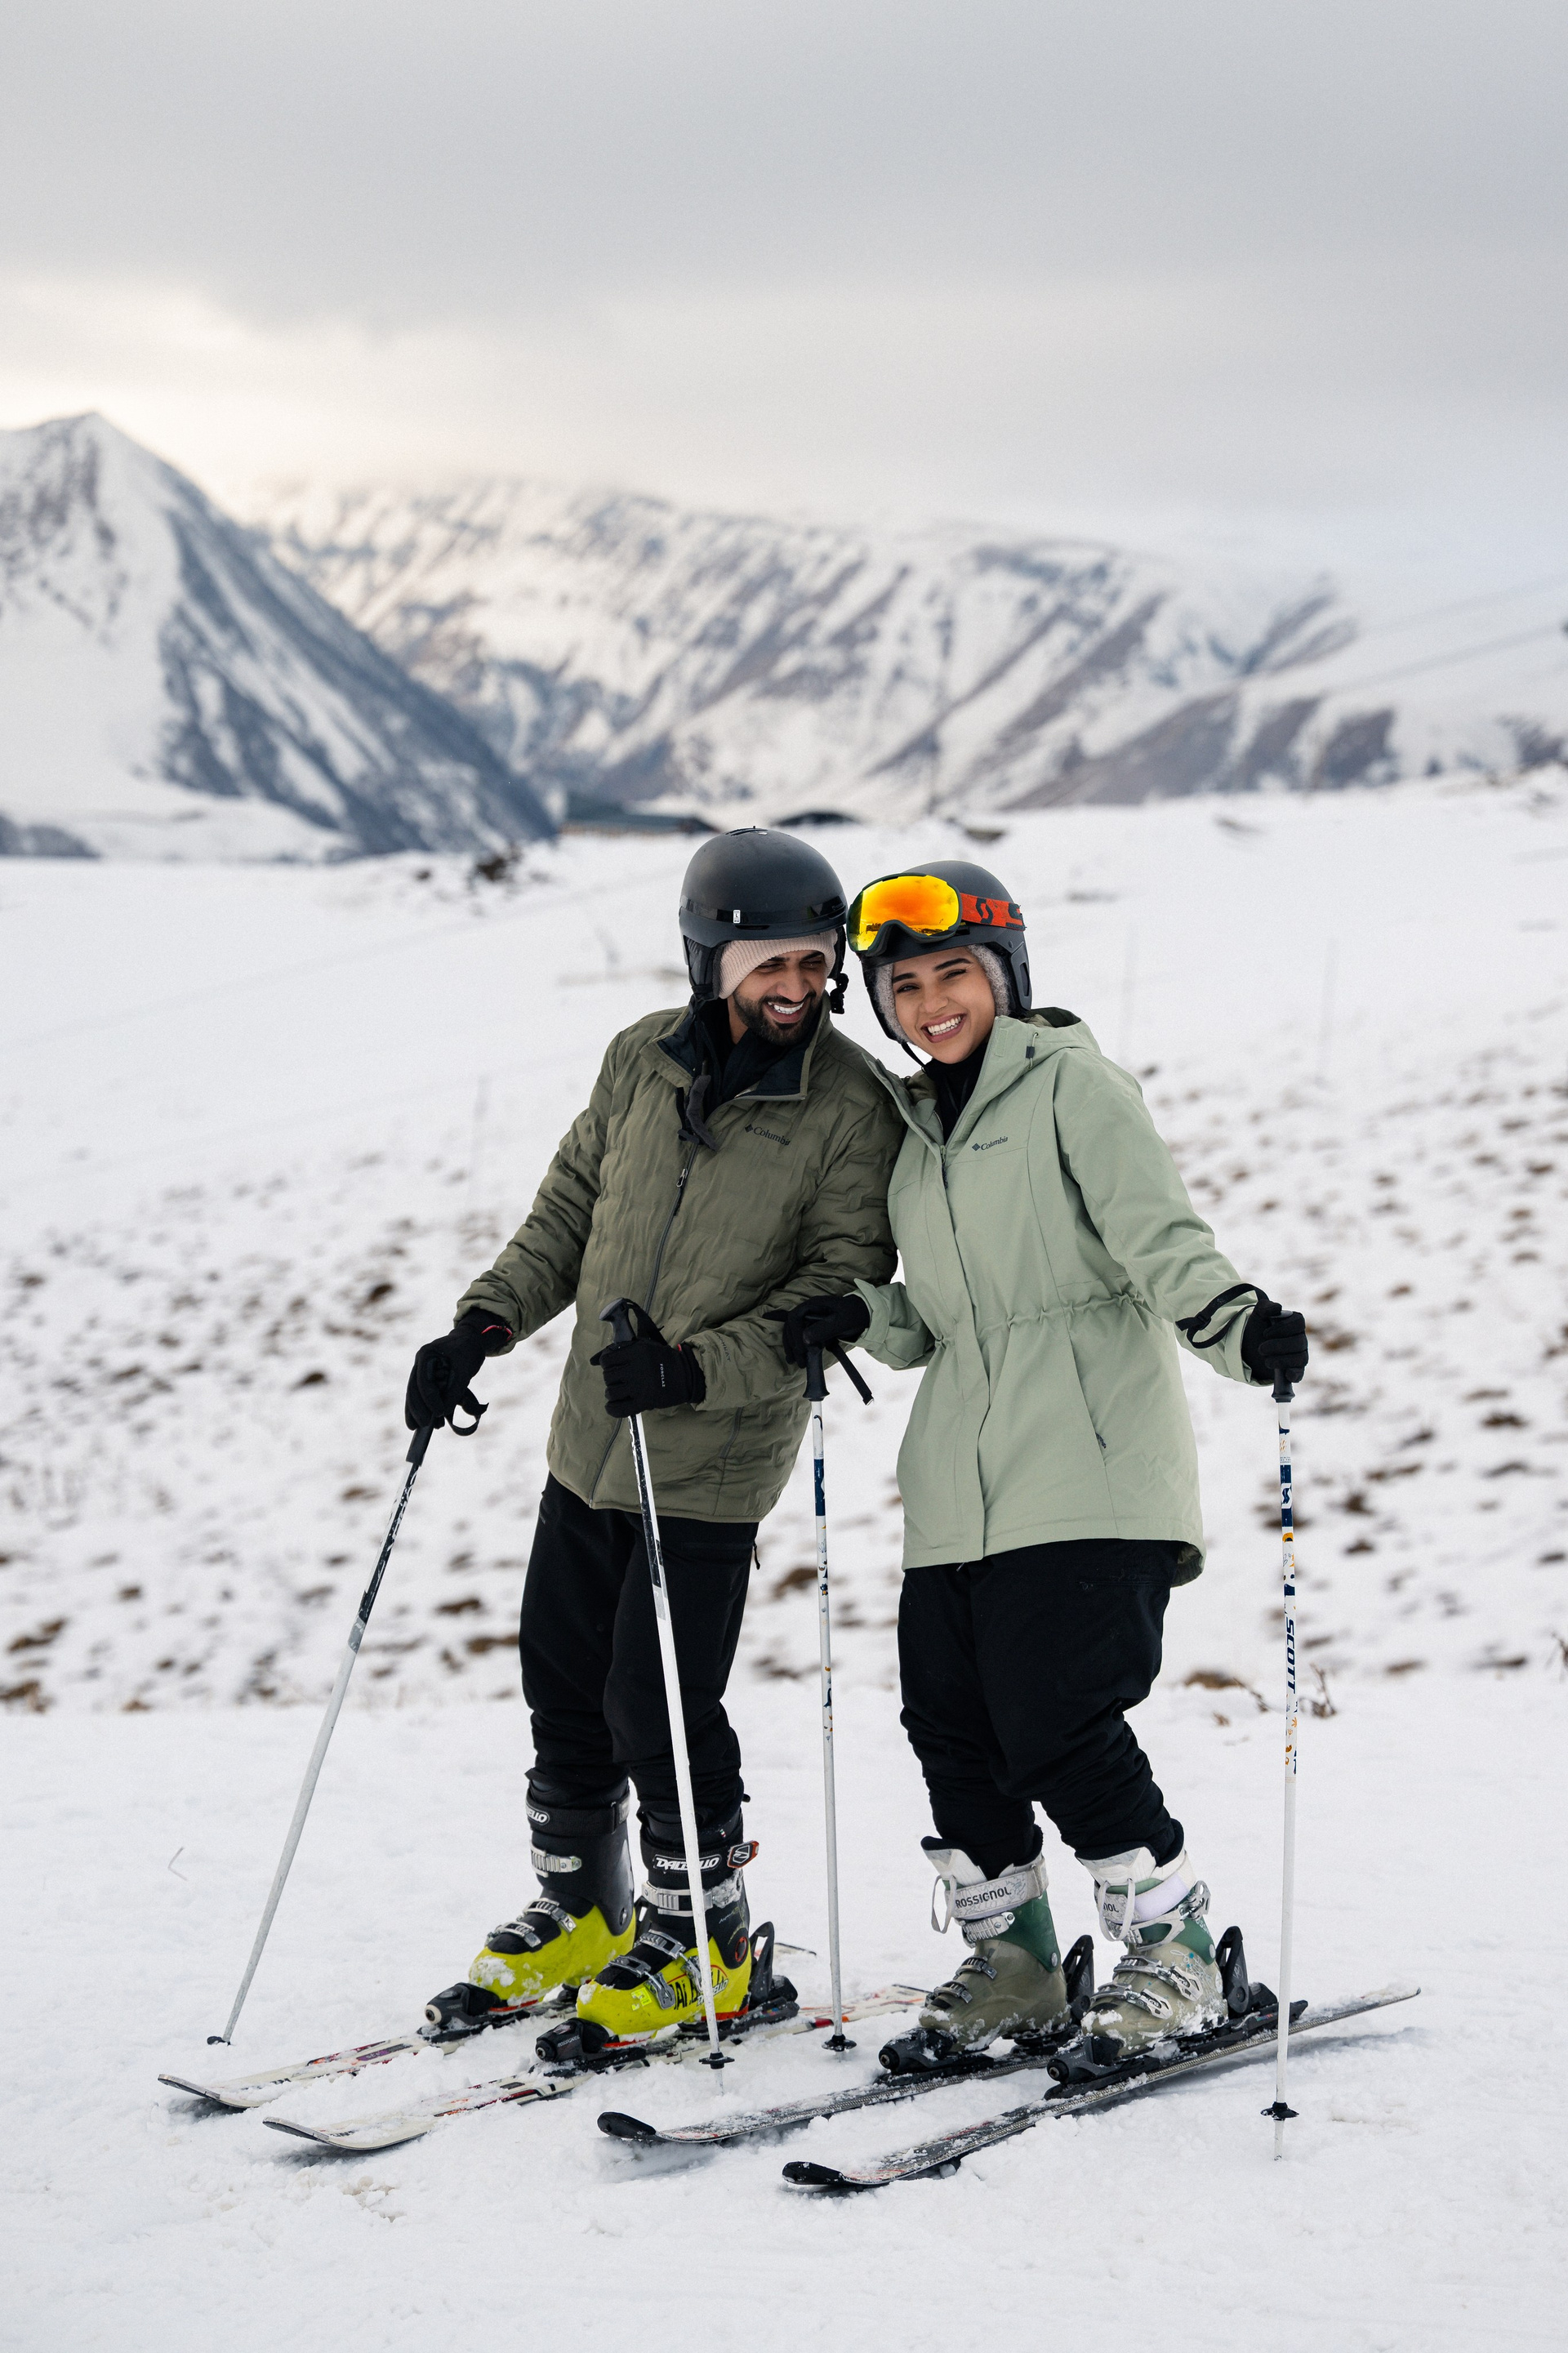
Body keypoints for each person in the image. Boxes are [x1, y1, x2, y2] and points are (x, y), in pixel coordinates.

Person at [780, 862, 1308, 2070]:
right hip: (958, 1490)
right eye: (904, 987)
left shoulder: (1075, 1087)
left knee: (1057, 1720)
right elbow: (943, 1320)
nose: (931, 1004)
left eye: (952, 974)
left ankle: (1177, 1950)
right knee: (952, 1729)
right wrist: (861, 1313)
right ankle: (1015, 1962)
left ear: (1006, 976)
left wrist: (1236, 1324)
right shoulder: (920, 1133)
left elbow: (1162, 1241)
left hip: (1090, 1466)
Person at [403, 829, 902, 2044]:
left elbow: (839, 1284)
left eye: (815, 962)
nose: (796, 986)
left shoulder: (849, 1103)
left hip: (709, 1458)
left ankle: (707, 1942)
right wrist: (482, 1323)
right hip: (589, 1437)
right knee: (563, 1678)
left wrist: (692, 1367)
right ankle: (584, 1912)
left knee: (658, 1696)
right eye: (770, 963)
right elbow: (572, 1208)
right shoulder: (641, 1058)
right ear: (708, 960)